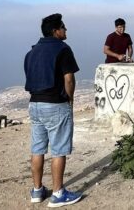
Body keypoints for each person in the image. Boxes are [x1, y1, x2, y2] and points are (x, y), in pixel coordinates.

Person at [24, 13, 83, 207]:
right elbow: (69, 79)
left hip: (35, 104)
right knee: (58, 150)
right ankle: (58, 193)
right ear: (55, 31)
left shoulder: (31, 52)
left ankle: (37, 191)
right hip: (56, 104)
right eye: (64, 27)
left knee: (37, 148)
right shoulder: (63, 49)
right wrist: (70, 100)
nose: (66, 30)